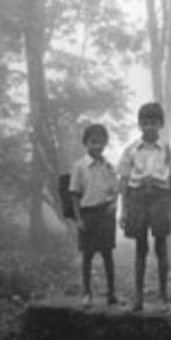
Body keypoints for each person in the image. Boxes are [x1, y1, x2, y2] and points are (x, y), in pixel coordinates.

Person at [118, 102, 171, 312]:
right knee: (140, 247)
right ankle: (139, 297)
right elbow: (124, 182)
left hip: (160, 198)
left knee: (161, 246)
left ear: (160, 124)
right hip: (137, 198)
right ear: (139, 124)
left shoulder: (168, 150)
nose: (149, 127)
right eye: (145, 123)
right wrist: (123, 210)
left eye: (153, 122)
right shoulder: (130, 150)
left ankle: (163, 297)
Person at [69, 123, 120, 307]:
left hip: (105, 214)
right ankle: (86, 293)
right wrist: (79, 219)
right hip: (88, 214)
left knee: (108, 255)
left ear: (105, 144)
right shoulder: (80, 166)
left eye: (100, 142)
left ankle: (111, 293)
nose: (96, 146)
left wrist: (114, 206)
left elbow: (116, 191)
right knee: (87, 256)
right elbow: (74, 194)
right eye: (92, 142)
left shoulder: (109, 166)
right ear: (86, 143)